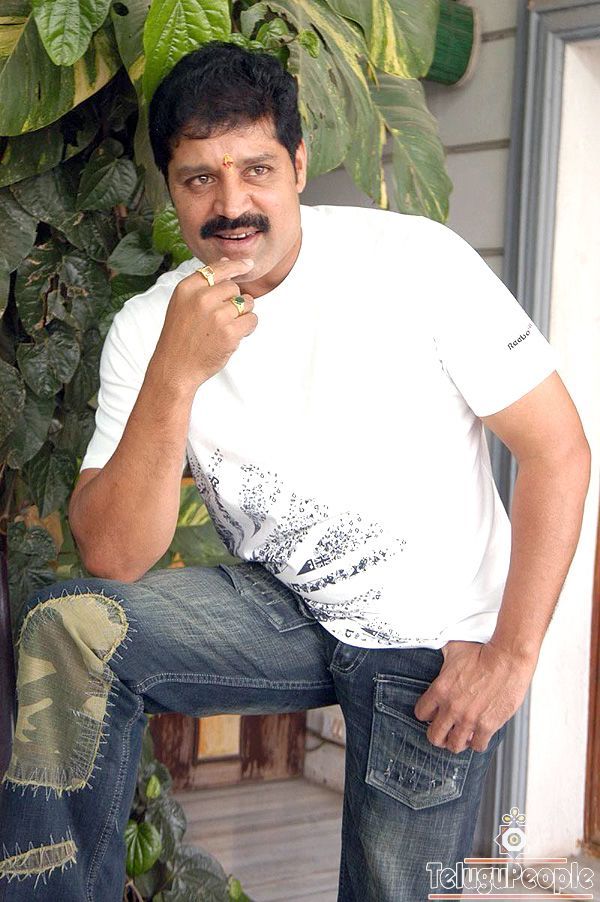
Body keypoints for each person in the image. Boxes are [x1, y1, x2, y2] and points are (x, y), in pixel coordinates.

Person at [0, 40, 591, 902]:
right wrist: (175, 374)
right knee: (69, 626)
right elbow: (115, 556)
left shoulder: (416, 262)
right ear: (170, 187)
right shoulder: (150, 325)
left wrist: (512, 655)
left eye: (256, 170)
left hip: (430, 637)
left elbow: (558, 450)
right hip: (280, 605)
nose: (231, 205)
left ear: (300, 165)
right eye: (199, 178)